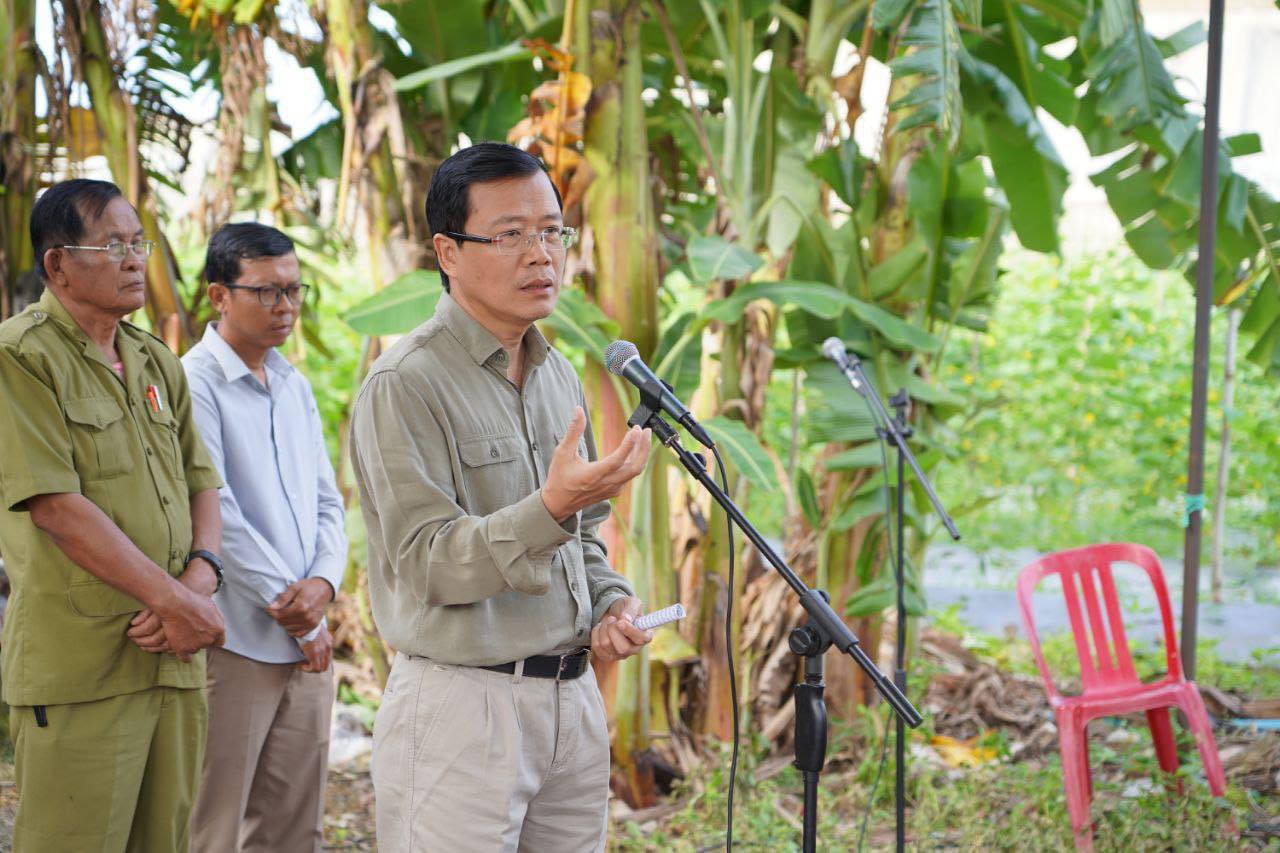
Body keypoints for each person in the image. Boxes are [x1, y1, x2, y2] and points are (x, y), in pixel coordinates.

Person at [351, 142, 654, 852]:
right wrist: (547, 510)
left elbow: (583, 535)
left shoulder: (557, 374)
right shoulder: (405, 384)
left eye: (552, 231)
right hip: (465, 707)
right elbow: (427, 562)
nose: (541, 255)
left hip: (572, 700)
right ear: (448, 252)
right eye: (511, 234)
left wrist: (610, 601)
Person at [0, 178, 226, 852]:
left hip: (173, 660)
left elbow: (201, 483)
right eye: (112, 246)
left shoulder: (155, 359)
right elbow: (55, 507)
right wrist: (172, 600)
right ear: (58, 264)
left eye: (138, 243)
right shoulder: (20, 355)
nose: (134, 260)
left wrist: (198, 582)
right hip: (85, 666)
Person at [182, 223, 347, 852]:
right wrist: (297, 611)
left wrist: (324, 583)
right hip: (236, 640)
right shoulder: (193, 382)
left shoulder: (292, 384)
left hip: (307, 638)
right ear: (219, 295)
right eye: (267, 292)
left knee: (294, 828)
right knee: (213, 825)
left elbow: (327, 500)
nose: (286, 306)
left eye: (294, 290)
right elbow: (215, 511)